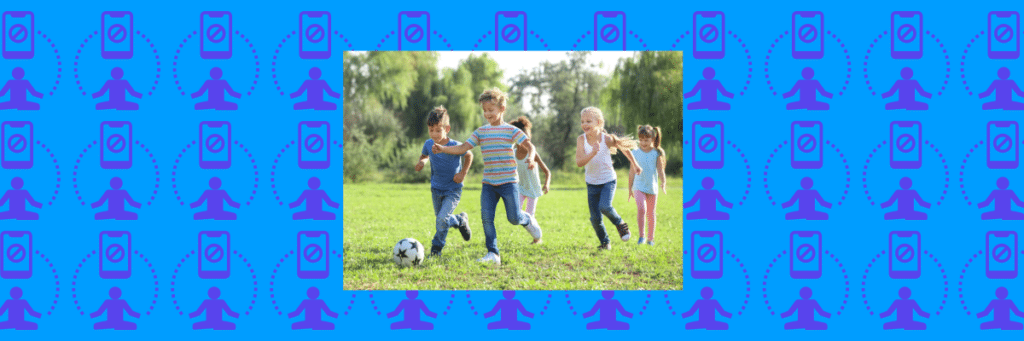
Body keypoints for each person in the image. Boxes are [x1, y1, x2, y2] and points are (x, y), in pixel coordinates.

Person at [433, 88, 542, 264]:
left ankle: (527, 219)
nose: (487, 114)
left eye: (491, 110)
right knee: (486, 218)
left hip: (508, 182)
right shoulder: (481, 132)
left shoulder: (511, 130)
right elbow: (463, 148)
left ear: (502, 108)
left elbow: (530, 146)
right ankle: (493, 254)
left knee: (514, 218)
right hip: (489, 184)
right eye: (484, 110)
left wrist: (530, 157)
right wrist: (443, 148)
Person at [575, 106, 641, 249]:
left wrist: (635, 164)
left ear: (598, 122)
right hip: (591, 183)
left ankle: (620, 224)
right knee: (595, 219)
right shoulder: (581, 140)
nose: (584, 124)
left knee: (605, 206)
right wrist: (592, 153)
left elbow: (624, 148)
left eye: (588, 121)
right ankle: (605, 243)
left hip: (608, 180)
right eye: (582, 121)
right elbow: (579, 162)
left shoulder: (607, 139)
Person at [415, 106, 473, 256]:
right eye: (431, 130)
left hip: (453, 189)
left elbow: (469, 155)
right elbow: (425, 155)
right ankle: (460, 220)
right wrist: (422, 162)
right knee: (442, 220)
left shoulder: (455, 146)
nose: (434, 134)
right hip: (436, 188)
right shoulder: (428, 144)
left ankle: (436, 248)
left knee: (441, 219)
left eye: (438, 130)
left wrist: (463, 173)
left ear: (447, 129)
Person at [510, 116, 550, 244]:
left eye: (527, 137)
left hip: (533, 189)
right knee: (515, 213)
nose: (525, 140)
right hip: (520, 188)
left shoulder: (532, 153)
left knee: (529, 215)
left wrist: (546, 184)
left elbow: (547, 171)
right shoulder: (512, 152)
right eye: (522, 137)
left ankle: (537, 238)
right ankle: (535, 234)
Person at [628, 125, 667, 246]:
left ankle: (651, 239)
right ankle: (642, 236)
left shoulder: (657, 153)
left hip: (652, 187)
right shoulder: (634, 152)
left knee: (651, 213)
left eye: (646, 140)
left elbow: (661, 170)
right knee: (641, 209)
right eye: (641, 139)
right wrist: (630, 188)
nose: (643, 142)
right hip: (638, 186)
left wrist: (663, 182)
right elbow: (631, 171)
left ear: (653, 139)